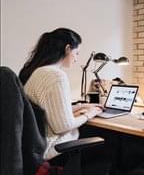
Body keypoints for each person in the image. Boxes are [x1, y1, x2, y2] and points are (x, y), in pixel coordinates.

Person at [19, 28, 103, 164]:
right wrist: (90, 114)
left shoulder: (37, 71)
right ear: (68, 48)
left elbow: (51, 110)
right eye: (77, 53)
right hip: (53, 150)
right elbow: (62, 126)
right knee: (109, 142)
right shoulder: (56, 75)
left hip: (33, 148)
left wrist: (83, 106)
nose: (76, 58)